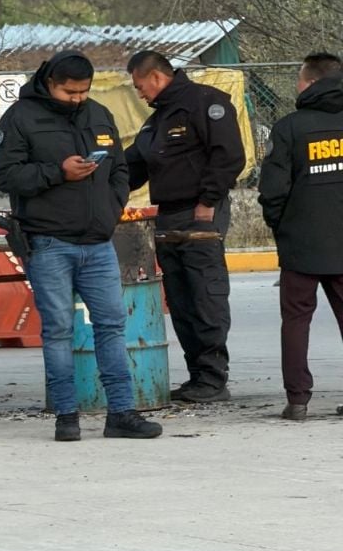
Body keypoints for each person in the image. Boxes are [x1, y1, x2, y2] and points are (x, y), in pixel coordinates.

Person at [0, 50, 163, 442]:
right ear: (50, 83)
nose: (77, 99)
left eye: (84, 92)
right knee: (58, 331)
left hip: (98, 242)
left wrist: (110, 207)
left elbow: (119, 168)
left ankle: (121, 412)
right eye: (70, 92)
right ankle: (66, 416)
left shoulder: (98, 114)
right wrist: (58, 172)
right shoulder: (21, 118)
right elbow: (5, 174)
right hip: (49, 242)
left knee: (112, 325)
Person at [125, 50, 246, 403]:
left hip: (199, 212)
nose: (139, 93)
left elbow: (229, 156)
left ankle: (213, 377)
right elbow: (133, 165)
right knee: (180, 298)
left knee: (204, 293)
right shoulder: (157, 120)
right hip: (167, 214)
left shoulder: (205, 102)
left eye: (139, 86)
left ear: (156, 77)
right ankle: (198, 375)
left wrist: (207, 202)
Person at [258, 52, 343, 421]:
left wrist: (283, 227)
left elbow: (272, 190)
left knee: (295, 320)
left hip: (302, 243)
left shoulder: (289, 128)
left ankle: (297, 401)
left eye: (299, 79)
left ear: (310, 83)